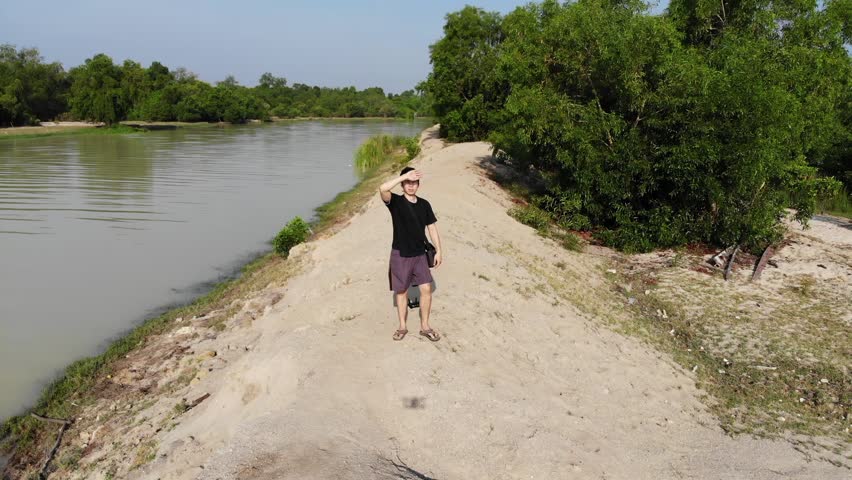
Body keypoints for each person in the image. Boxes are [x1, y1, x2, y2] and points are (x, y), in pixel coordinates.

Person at [379, 166, 442, 342]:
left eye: (414, 182)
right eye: (407, 182)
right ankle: (402, 326)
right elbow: (382, 188)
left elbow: (432, 228)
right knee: (401, 292)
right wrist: (403, 176)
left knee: (426, 289)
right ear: (402, 184)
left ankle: (425, 326)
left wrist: (439, 251)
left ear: (418, 185)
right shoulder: (395, 202)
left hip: (420, 254)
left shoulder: (424, 204)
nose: (410, 186)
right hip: (400, 254)